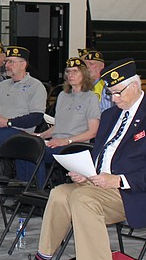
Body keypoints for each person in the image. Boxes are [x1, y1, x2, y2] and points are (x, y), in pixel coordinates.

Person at [1, 59, 146, 260]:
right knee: (60, 193)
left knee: (83, 199)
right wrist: (85, 172)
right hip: (101, 184)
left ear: (136, 86)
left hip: (137, 191)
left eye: (118, 93)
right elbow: (101, 153)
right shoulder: (110, 115)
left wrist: (118, 180)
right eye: (111, 93)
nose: (114, 99)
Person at [27, 57, 101, 187]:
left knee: (35, 153)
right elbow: (59, 126)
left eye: (75, 71)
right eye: (68, 72)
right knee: (26, 148)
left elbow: (92, 132)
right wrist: (41, 136)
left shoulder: (91, 98)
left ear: (84, 74)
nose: (70, 75)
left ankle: (38, 191)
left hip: (75, 146)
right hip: (56, 142)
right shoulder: (63, 96)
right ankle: (25, 190)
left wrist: (67, 140)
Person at [0, 45, 47, 155]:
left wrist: (7, 122)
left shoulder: (35, 86)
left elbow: (36, 118)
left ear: (23, 64)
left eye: (11, 62)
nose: (6, 65)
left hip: (18, 131)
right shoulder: (3, 85)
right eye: (6, 62)